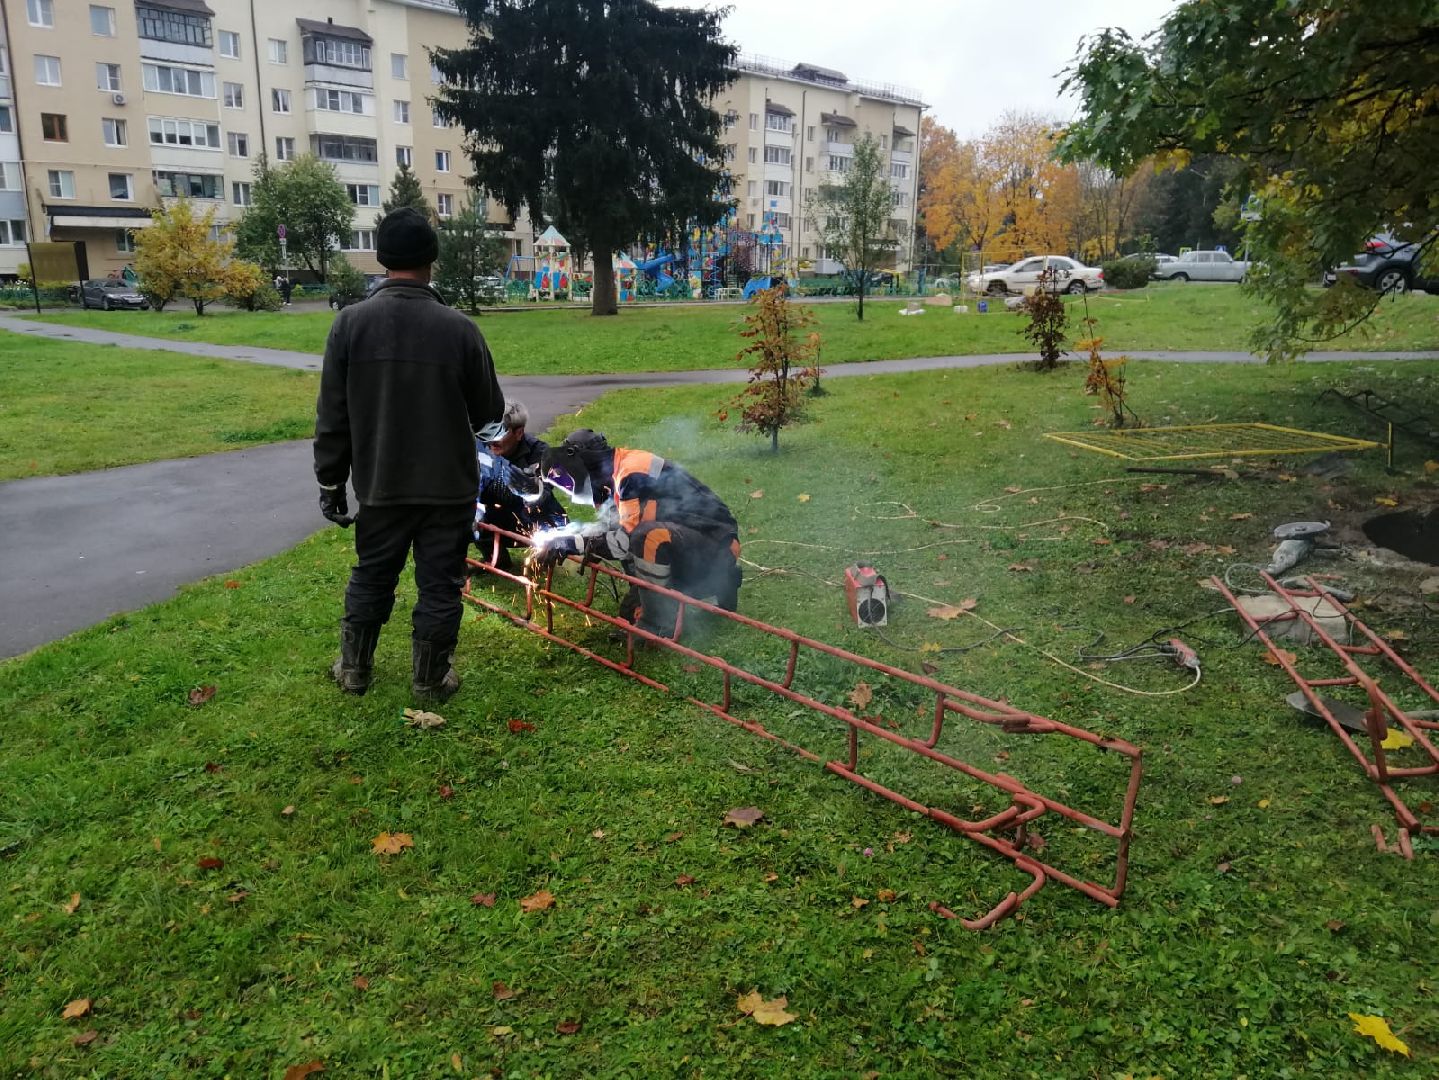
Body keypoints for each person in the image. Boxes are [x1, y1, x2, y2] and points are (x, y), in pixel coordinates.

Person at [314, 206, 504, 701]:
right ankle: (430, 678)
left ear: (381, 259)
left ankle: (354, 670)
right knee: (440, 584)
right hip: (449, 488)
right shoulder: (460, 329)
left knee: (372, 574)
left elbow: (333, 418)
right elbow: (489, 418)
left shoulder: (349, 325)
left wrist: (330, 484)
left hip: (381, 484)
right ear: (431, 259)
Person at [536, 429, 741, 638]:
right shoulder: (616, 474)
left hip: (717, 543)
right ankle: (718, 585)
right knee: (625, 535)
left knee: (646, 537)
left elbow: (624, 541)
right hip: (694, 540)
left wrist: (572, 544)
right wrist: (567, 539)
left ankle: (659, 625)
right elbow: (615, 530)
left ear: (581, 460)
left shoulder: (631, 472)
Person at [474, 400, 567, 570]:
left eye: (500, 432)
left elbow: (544, 496)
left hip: (528, 519)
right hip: (493, 514)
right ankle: (495, 559)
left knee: (553, 521)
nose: (492, 439)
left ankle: (544, 555)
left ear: (519, 433)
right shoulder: (480, 447)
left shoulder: (541, 454)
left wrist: (529, 489)